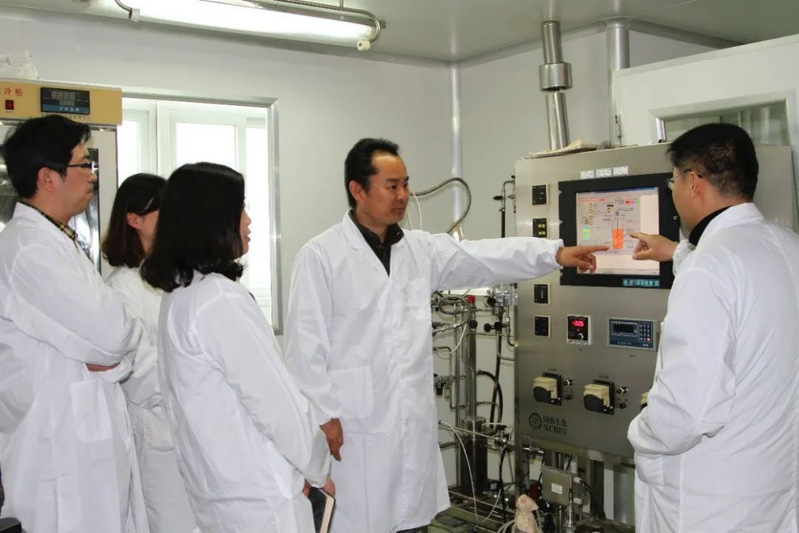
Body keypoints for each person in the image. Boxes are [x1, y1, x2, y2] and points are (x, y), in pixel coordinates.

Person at [284, 138, 607, 533]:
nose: (403, 196)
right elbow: (304, 349)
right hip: (353, 430)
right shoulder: (321, 256)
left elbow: (484, 257)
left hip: (410, 429)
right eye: (391, 186)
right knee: (358, 519)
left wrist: (553, 254)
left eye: (406, 185)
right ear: (357, 190)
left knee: (410, 521)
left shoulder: (419, 250)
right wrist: (322, 416)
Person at [141, 162, 333, 533]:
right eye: (241, 208)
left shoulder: (181, 296)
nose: (248, 220)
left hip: (220, 495)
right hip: (262, 500)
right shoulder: (218, 299)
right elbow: (277, 405)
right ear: (213, 219)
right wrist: (318, 469)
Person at [627, 123, 799, 532]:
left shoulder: (708, 268)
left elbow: (686, 412)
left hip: (708, 506)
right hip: (773, 496)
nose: (673, 191)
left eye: (672, 181)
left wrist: (641, 432)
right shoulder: (788, 245)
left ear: (694, 182)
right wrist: (678, 252)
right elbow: (743, 289)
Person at [0, 115, 148, 532]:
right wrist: (115, 350)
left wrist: (114, 354)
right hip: (56, 456)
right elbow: (114, 333)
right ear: (48, 177)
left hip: (79, 447)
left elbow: (113, 341)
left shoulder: (56, 241)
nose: (92, 176)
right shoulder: (30, 251)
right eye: (84, 164)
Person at [103, 174, 198, 532]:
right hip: (159, 439)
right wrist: (195, 376)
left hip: (192, 431)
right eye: (165, 211)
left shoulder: (174, 278)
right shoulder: (121, 289)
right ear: (134, 219)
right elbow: (138, 371)